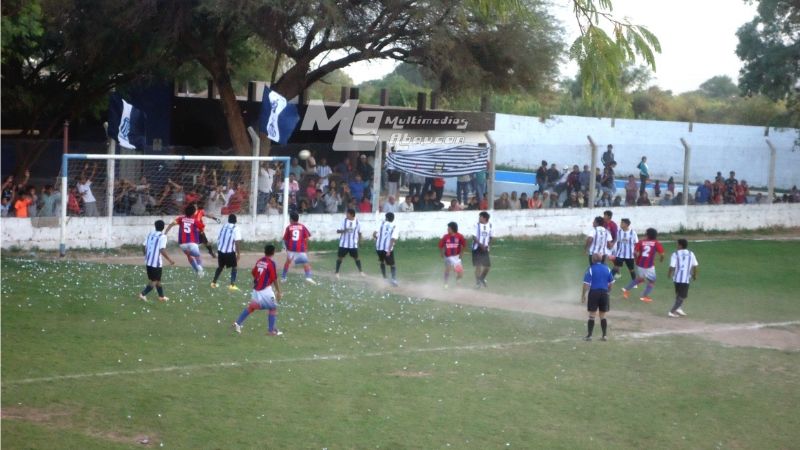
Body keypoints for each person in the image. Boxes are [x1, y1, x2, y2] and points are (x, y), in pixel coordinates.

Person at [232, 244, 283, 336]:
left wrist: (259, 280)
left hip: (256, 289)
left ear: (265, 251)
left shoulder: (260, 261)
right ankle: (271, 330)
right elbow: (274, 278)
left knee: (252, 307)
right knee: (273, 307)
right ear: (273, 252)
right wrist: (279, 291)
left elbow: (254, 272)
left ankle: (237, 323)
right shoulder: (271, 263)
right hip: (265, 290)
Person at [622, 227, 665, 303]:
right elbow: (662, 254)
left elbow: (635, 253)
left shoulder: (641, 242)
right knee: (652, 281)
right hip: (649, 266)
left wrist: (636, 259)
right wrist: (661, 260)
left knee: (640, 279)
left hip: (640, 264)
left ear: (647, 234)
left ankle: (626, 290)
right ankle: (644, 296)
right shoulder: (656, 243)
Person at [581, 253, 615, 341]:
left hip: (594, 293)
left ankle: (589, 336)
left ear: (593, 260)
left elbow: (586, 284)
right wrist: (608, 291)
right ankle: (604, 336)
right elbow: (611, 283)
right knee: (603, 315)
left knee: (592, 315)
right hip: (604, 293)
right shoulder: (607, 268)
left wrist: (583, 295)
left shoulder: (590, 269)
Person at [139, 220, 175, 302]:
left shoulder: (150, 234)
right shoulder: (163, 237)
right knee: (155, 281)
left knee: (157, 280)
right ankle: (143, 294)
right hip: (156, 263)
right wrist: (170, 260)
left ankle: (161, 296)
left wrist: (145, 255)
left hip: (148, 262)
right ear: (163, 227)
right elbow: (162, 250)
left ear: (155, 226)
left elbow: (143, 245)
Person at [164, 204, 205, 276]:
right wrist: (200, 232)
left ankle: (197, 271)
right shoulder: (195, 221)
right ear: (193, 213)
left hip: (183, 244)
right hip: (192, 243)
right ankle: (200, 268)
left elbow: (172, 224)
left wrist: (165, 233)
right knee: (197, 256)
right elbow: (202, 229)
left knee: (189, 256)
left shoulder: (181, 219)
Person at [667, 239, 699, 318]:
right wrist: (695, 275)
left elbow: (672, 266)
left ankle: (678, 308)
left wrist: (669, 274)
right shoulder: (691, 254)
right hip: (685, 279)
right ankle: (672, 311)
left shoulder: (675, 254)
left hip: (676, 278)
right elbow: (695, 265)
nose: (676, 246)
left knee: (679, 295)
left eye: (677, 244)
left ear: (681, 245)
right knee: (682, 296)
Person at [281, 211, 315, 284]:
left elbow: (285, 239)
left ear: (291, 220)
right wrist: (305, 247)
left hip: (291, 248)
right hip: (300, 248)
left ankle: (283, 277)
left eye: (290, 219)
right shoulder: (302, 227)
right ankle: (308, 277)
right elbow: (306, 237)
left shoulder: (289, 227)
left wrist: (285, 248)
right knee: (305, 263)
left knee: (287, 262)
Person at [211, 214, 242, 290]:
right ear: (235, 221)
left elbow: (219, 238)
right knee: (234, 266)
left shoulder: (224, 226)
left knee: (220, 267)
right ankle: (232, 285)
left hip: (221, 250)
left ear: (228, 220)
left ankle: (213, 282)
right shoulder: (235, 228)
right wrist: (238, 253)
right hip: (229, 251)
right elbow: (237, 241)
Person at [335, 208, 364, 278]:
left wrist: (360, 241)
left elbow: (360, 233)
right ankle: (337, 272)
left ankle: (361, 272)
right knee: (340, 258)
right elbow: (338, 231)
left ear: (351, 214)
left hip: (353, 244)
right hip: (343, 244)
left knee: (356, 258)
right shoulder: (343, 221)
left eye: (347, 213)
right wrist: (345, 230)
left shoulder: (357, 222)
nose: (346, 215)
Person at [373, 212, 399, 286]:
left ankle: (384, 278)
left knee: (382, 262)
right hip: (387, 248)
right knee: (392, 264)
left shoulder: (381, 224)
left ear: (386, 218)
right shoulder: (394, 226)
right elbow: (393, 239)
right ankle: (393, 280)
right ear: (393, 219)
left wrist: (379, 239)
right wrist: (388, 250)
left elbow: (374, 234)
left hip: (378, 247)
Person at [438, 221, 467, 289]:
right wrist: (442, 253)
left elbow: (464, 245)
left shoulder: (459, 236)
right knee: (448, 269)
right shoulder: (445, 237)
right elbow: (441, 245)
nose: (447, 229)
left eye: (449, 228)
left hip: (456, 257)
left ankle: (457, 281)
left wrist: (461, 253)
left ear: (453, 229)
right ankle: (445, 283)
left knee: (460, 273)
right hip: (448, 256)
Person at [472, 211, 493, 289]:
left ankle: (481, 278)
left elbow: (491, 237)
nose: (479, 218)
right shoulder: (476, 225)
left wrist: (488, 245)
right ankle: (478, 283)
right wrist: (481, 245)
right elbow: (474, 237)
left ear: (484, 218)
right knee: (478, 266)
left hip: (485, 248)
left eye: (480, 217)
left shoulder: (490, 225)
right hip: (477, 248)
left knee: (487, 267)